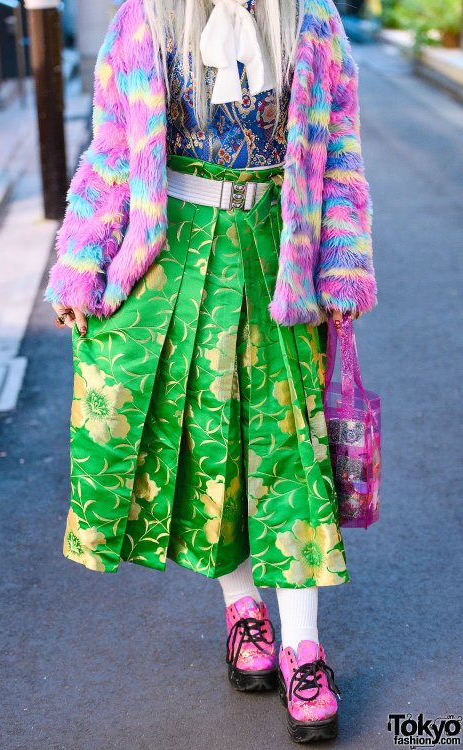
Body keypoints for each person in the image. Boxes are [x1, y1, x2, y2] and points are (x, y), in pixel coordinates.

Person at [44, 0, 377, 743]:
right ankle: (241, 608)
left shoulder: (314, 21)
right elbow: (108, 152)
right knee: (206, 449)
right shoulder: (145, 19)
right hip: (173, 263)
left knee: (292, 451)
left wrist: (343, 268)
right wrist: (80, 266)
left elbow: (341, 156)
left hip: (276, 256)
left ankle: (303, 650)